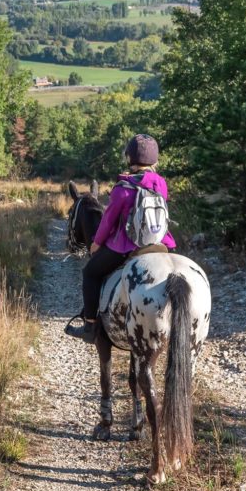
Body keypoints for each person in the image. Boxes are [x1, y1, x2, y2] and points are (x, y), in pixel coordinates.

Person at [65, 134, 176, 343]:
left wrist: (97, 243)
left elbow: (108, 220)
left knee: (90, 273)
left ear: (129, 159)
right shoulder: (161, 184)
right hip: (159, 243)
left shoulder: (122, 188)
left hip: (126, 245)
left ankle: (89, 325)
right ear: (155, 160)